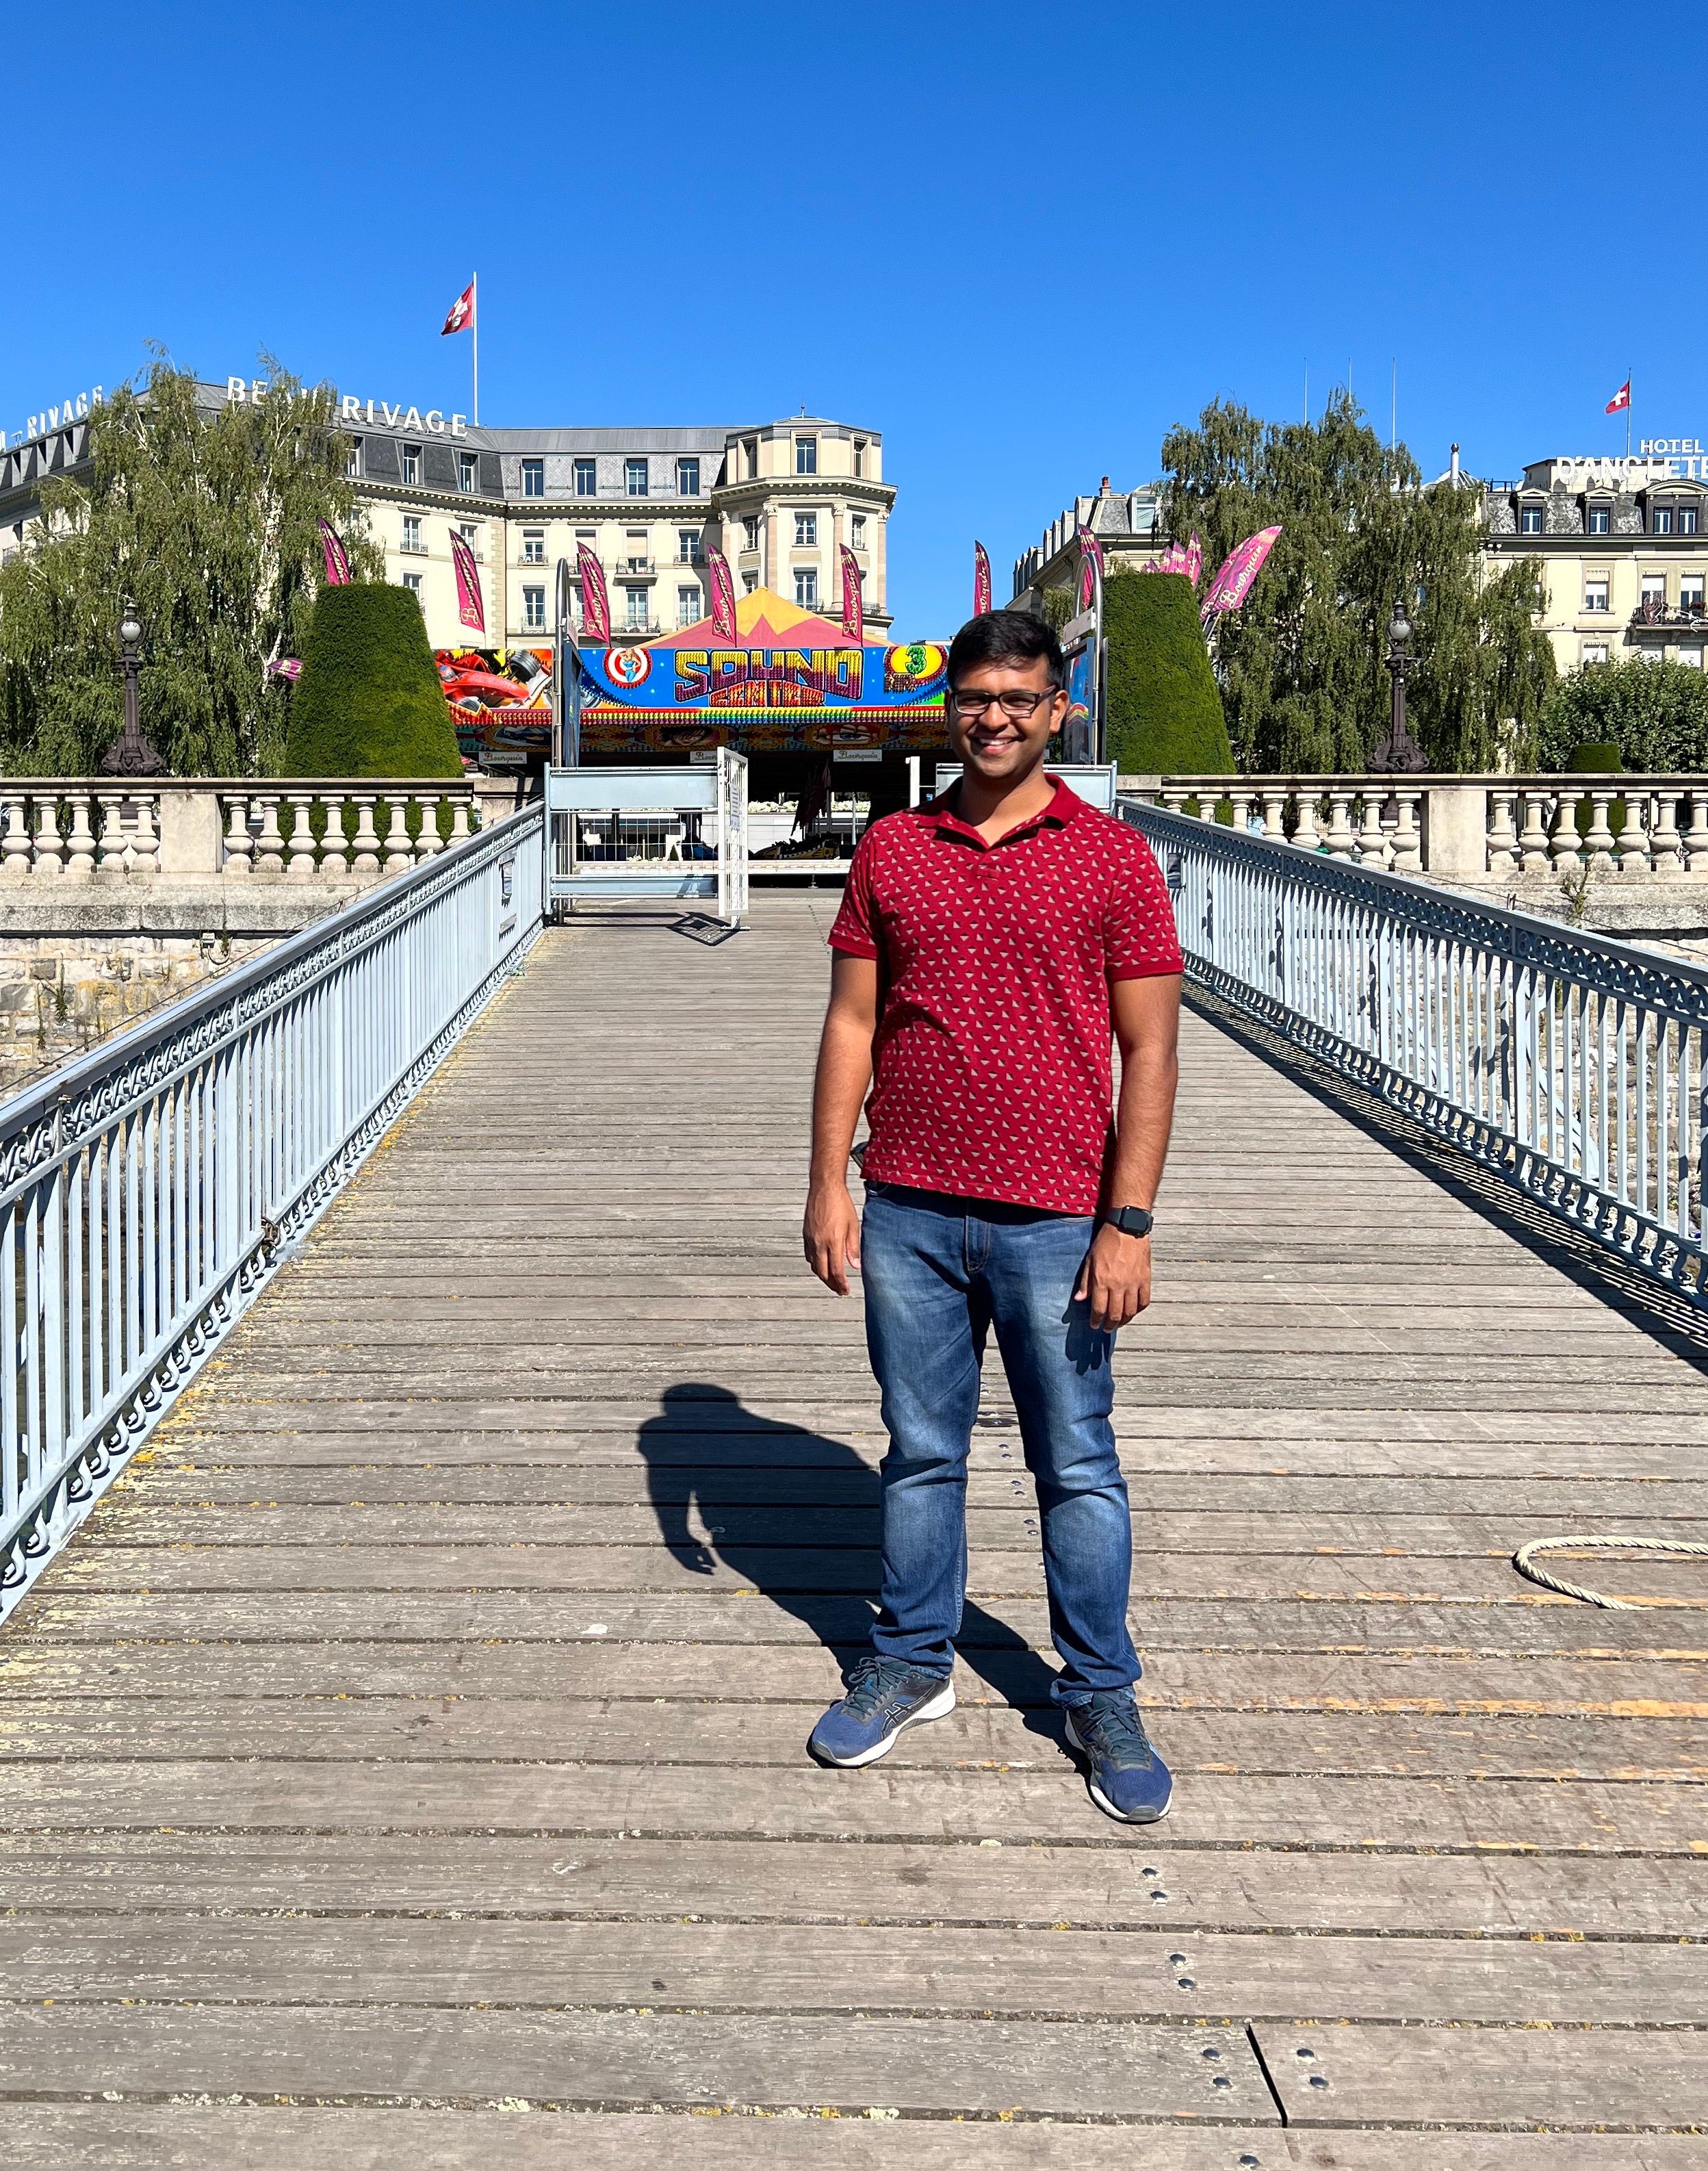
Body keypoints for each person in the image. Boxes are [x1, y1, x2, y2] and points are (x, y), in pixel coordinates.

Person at [801, 609, 1183, 1824]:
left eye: (1021, 699)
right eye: (976, 698)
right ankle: (914, 1661)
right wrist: (827, 1180)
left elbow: (1152, 1049)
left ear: (1057, 707)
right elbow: (852, 1023)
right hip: (909, 1201)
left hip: (1059, 1218)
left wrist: (1130, 1221)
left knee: (1076, 1462)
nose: (996, 719)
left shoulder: (1114, 858)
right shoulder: (895, 848)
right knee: (921, 1452)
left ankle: (1100, 1688)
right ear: (948, 704)